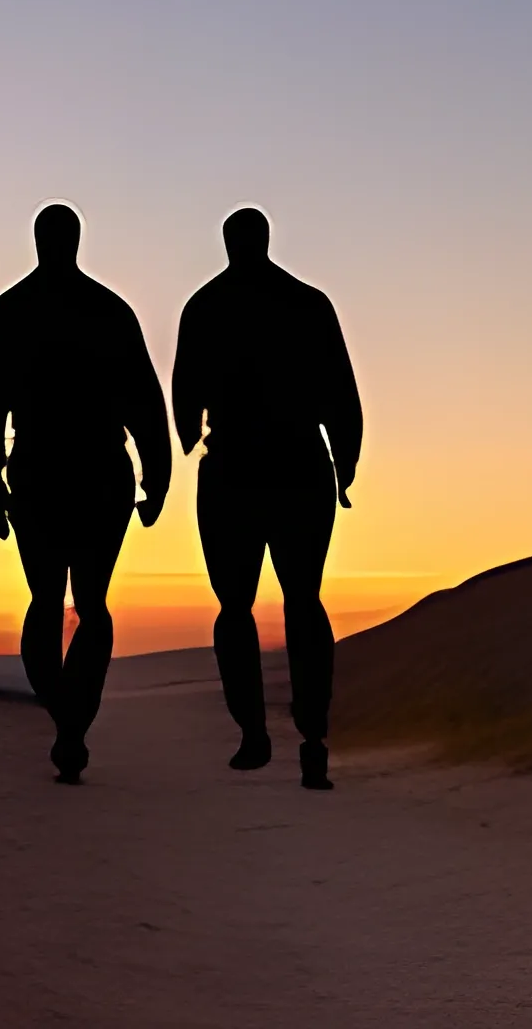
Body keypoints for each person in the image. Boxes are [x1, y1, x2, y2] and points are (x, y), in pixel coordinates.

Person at [0, 203, 171, 783]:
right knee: (81, 603)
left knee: (59, 601)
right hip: (82, 475)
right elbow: (146, 403)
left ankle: (66, 719)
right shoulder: (105, 310)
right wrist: (156, 473)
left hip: (58, 475)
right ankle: (70, 721)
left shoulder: (11, 312)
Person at [173, 207, 362, 791]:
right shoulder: (309, 303)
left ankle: (255, 734)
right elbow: (344, 399)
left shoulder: (205, 306)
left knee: (238, 607)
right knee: (301, 603)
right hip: (301, 469)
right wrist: (346, 468)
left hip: (235, 470)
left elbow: (183, 398)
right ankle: (311, 738)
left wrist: (184, 443)